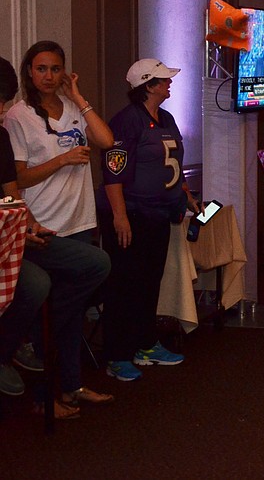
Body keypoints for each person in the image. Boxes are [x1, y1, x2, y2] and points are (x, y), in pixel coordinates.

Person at [3, 42, 113, 415]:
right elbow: (15, 178)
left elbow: (106, 141)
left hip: (78, 219)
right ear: (28, 73)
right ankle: (41, 392)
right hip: (44, 224)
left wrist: (79, 98)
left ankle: (70, 387)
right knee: (53, 303)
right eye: (41, 69)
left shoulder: (72, 110)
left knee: (71, 310)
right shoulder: (18, 116)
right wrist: (62, 159)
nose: (48, 76)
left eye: (55, 69)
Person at [97, 58, 200, 381]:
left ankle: (144, 344)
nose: (169, 84)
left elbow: (173, 163)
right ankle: (117, 354)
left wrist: (185, 192)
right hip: (134, 215)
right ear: (148, 85)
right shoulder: (127, 122)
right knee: (124, 285)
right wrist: (120, 216)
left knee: (148, 283)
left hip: (159, 215)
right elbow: (113, 173)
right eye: (163, 80)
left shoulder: (166, 118)